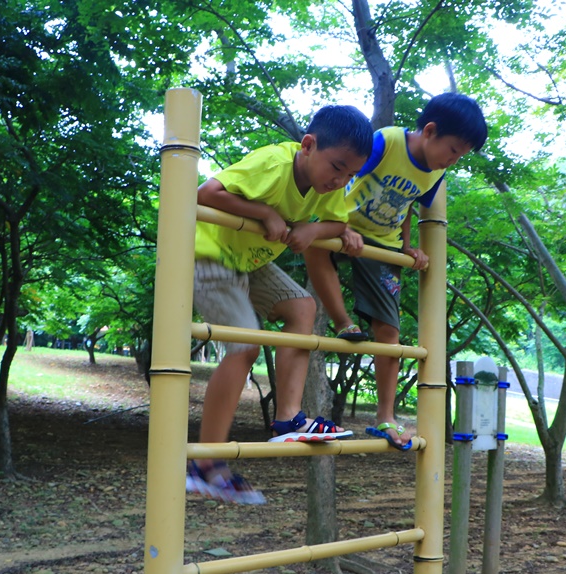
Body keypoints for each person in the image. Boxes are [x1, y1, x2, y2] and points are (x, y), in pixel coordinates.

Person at [186, 105, 375, 504]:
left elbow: (338, 223)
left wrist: (316, 228)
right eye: (336, 167)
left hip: (249, 261)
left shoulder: (330, 185)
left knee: (302, 308)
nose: (339, 180)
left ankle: (288, 418)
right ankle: (204, 465)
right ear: (308, 145)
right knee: (245, 345)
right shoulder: (273, 164)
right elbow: (206, 193)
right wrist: (262, 212)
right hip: (209, 253)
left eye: (349, 175)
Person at [303, 92, 488, 450]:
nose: (453, 160)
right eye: (453, 150)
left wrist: (407, 246)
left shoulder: (436, 173)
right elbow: (343, 179)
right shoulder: (387, 141)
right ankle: (344, 322)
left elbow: (407, 207)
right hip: (341, 226)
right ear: (430, 131)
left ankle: (385, 416)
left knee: (389, 331)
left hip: (383, 245)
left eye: (460, 156)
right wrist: (338, 225)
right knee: (314, 247)